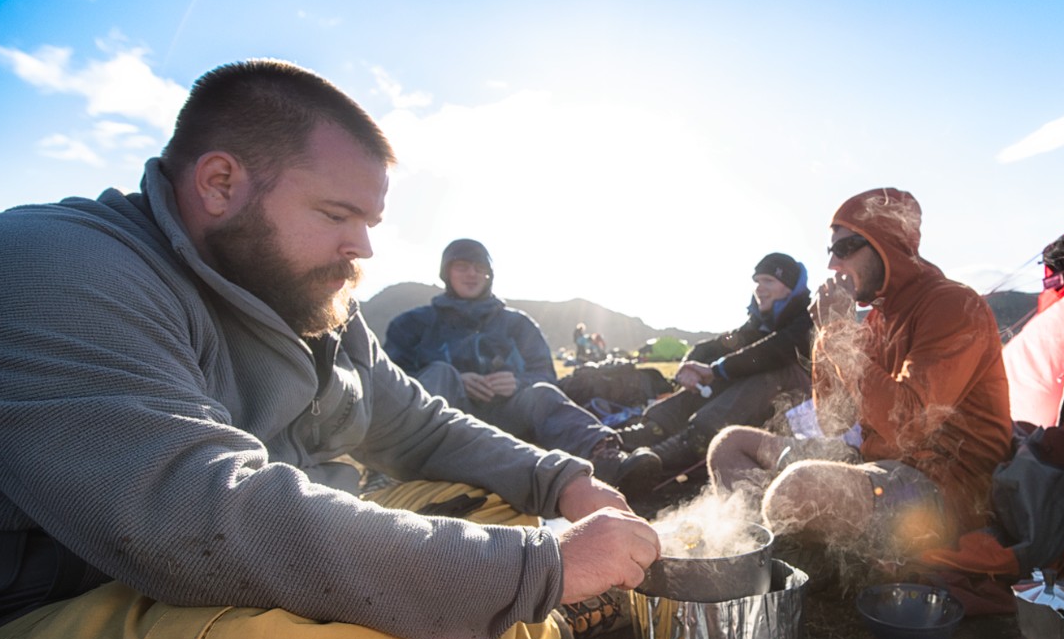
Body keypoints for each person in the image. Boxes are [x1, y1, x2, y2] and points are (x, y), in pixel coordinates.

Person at [0, 59, 660, 639]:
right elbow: (203, 518)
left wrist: (562, 481)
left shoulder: (306, 294)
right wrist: (544, 566)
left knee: (502, 514)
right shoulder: (54, 269)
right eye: (337, 216)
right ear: (220, 184)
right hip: (45, 625)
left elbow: (422, 427)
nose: (363, 248)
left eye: (368, 222)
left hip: (237, 563)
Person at [707, 187, 1015, 578]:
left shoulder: (954, 305)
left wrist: (837, 332)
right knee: (729, 444)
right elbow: (834, 421)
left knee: (797, 488)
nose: (834, 263)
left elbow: (909, 425)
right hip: (876, 464)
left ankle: (790, 561)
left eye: (847, 247)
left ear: (889, 244)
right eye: (831, 251)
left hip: (944, 488)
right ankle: (768, 551)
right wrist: (826, 336)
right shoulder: (877, 319)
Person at [384, 239, 657, 489]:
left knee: (540, 393)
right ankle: (391, 471)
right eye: (462, 266)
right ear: (446, 272)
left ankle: (608, 459)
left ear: (489, 275)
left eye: (480, 268)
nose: (472, 274)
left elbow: (546, 375)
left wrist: (518, 382)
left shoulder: (518, 324)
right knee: (440, 373)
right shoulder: (412, 324)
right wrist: (457, 381)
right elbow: (388, 383)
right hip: (440, 426)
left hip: (506, 420)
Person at [617, 252, 814, 476]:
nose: (759, 288)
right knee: (726, 368)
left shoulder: (808, 316)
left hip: (802, 408)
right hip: (763, 406)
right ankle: (650, 431)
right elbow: (710, 348)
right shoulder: (758, 324)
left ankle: (691, 443)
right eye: (757, 282)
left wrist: (716, 370)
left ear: (790, 287)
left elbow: (778, 350)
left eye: (768, 281)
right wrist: (690, 366)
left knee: (764, 370)